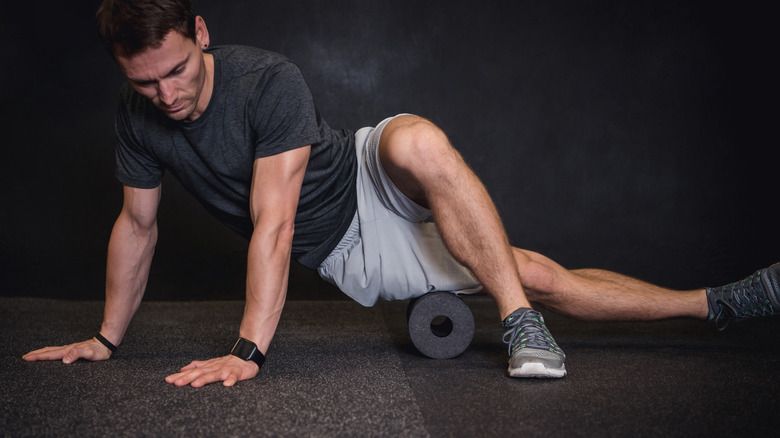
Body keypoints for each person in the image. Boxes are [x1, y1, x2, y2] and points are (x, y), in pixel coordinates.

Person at [23, 0, 779, 386]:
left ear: (200, 31)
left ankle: (518, 326)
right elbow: (138, 225)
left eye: (178, 70)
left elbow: (274, 224)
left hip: (357, 168)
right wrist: (104, 338)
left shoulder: (265, 80)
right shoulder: (140, 118)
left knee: (418, 139)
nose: (165, 93)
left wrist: (247, 351)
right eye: (143, 81)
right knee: (536, 274)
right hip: (354, 245)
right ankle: (716, 304)